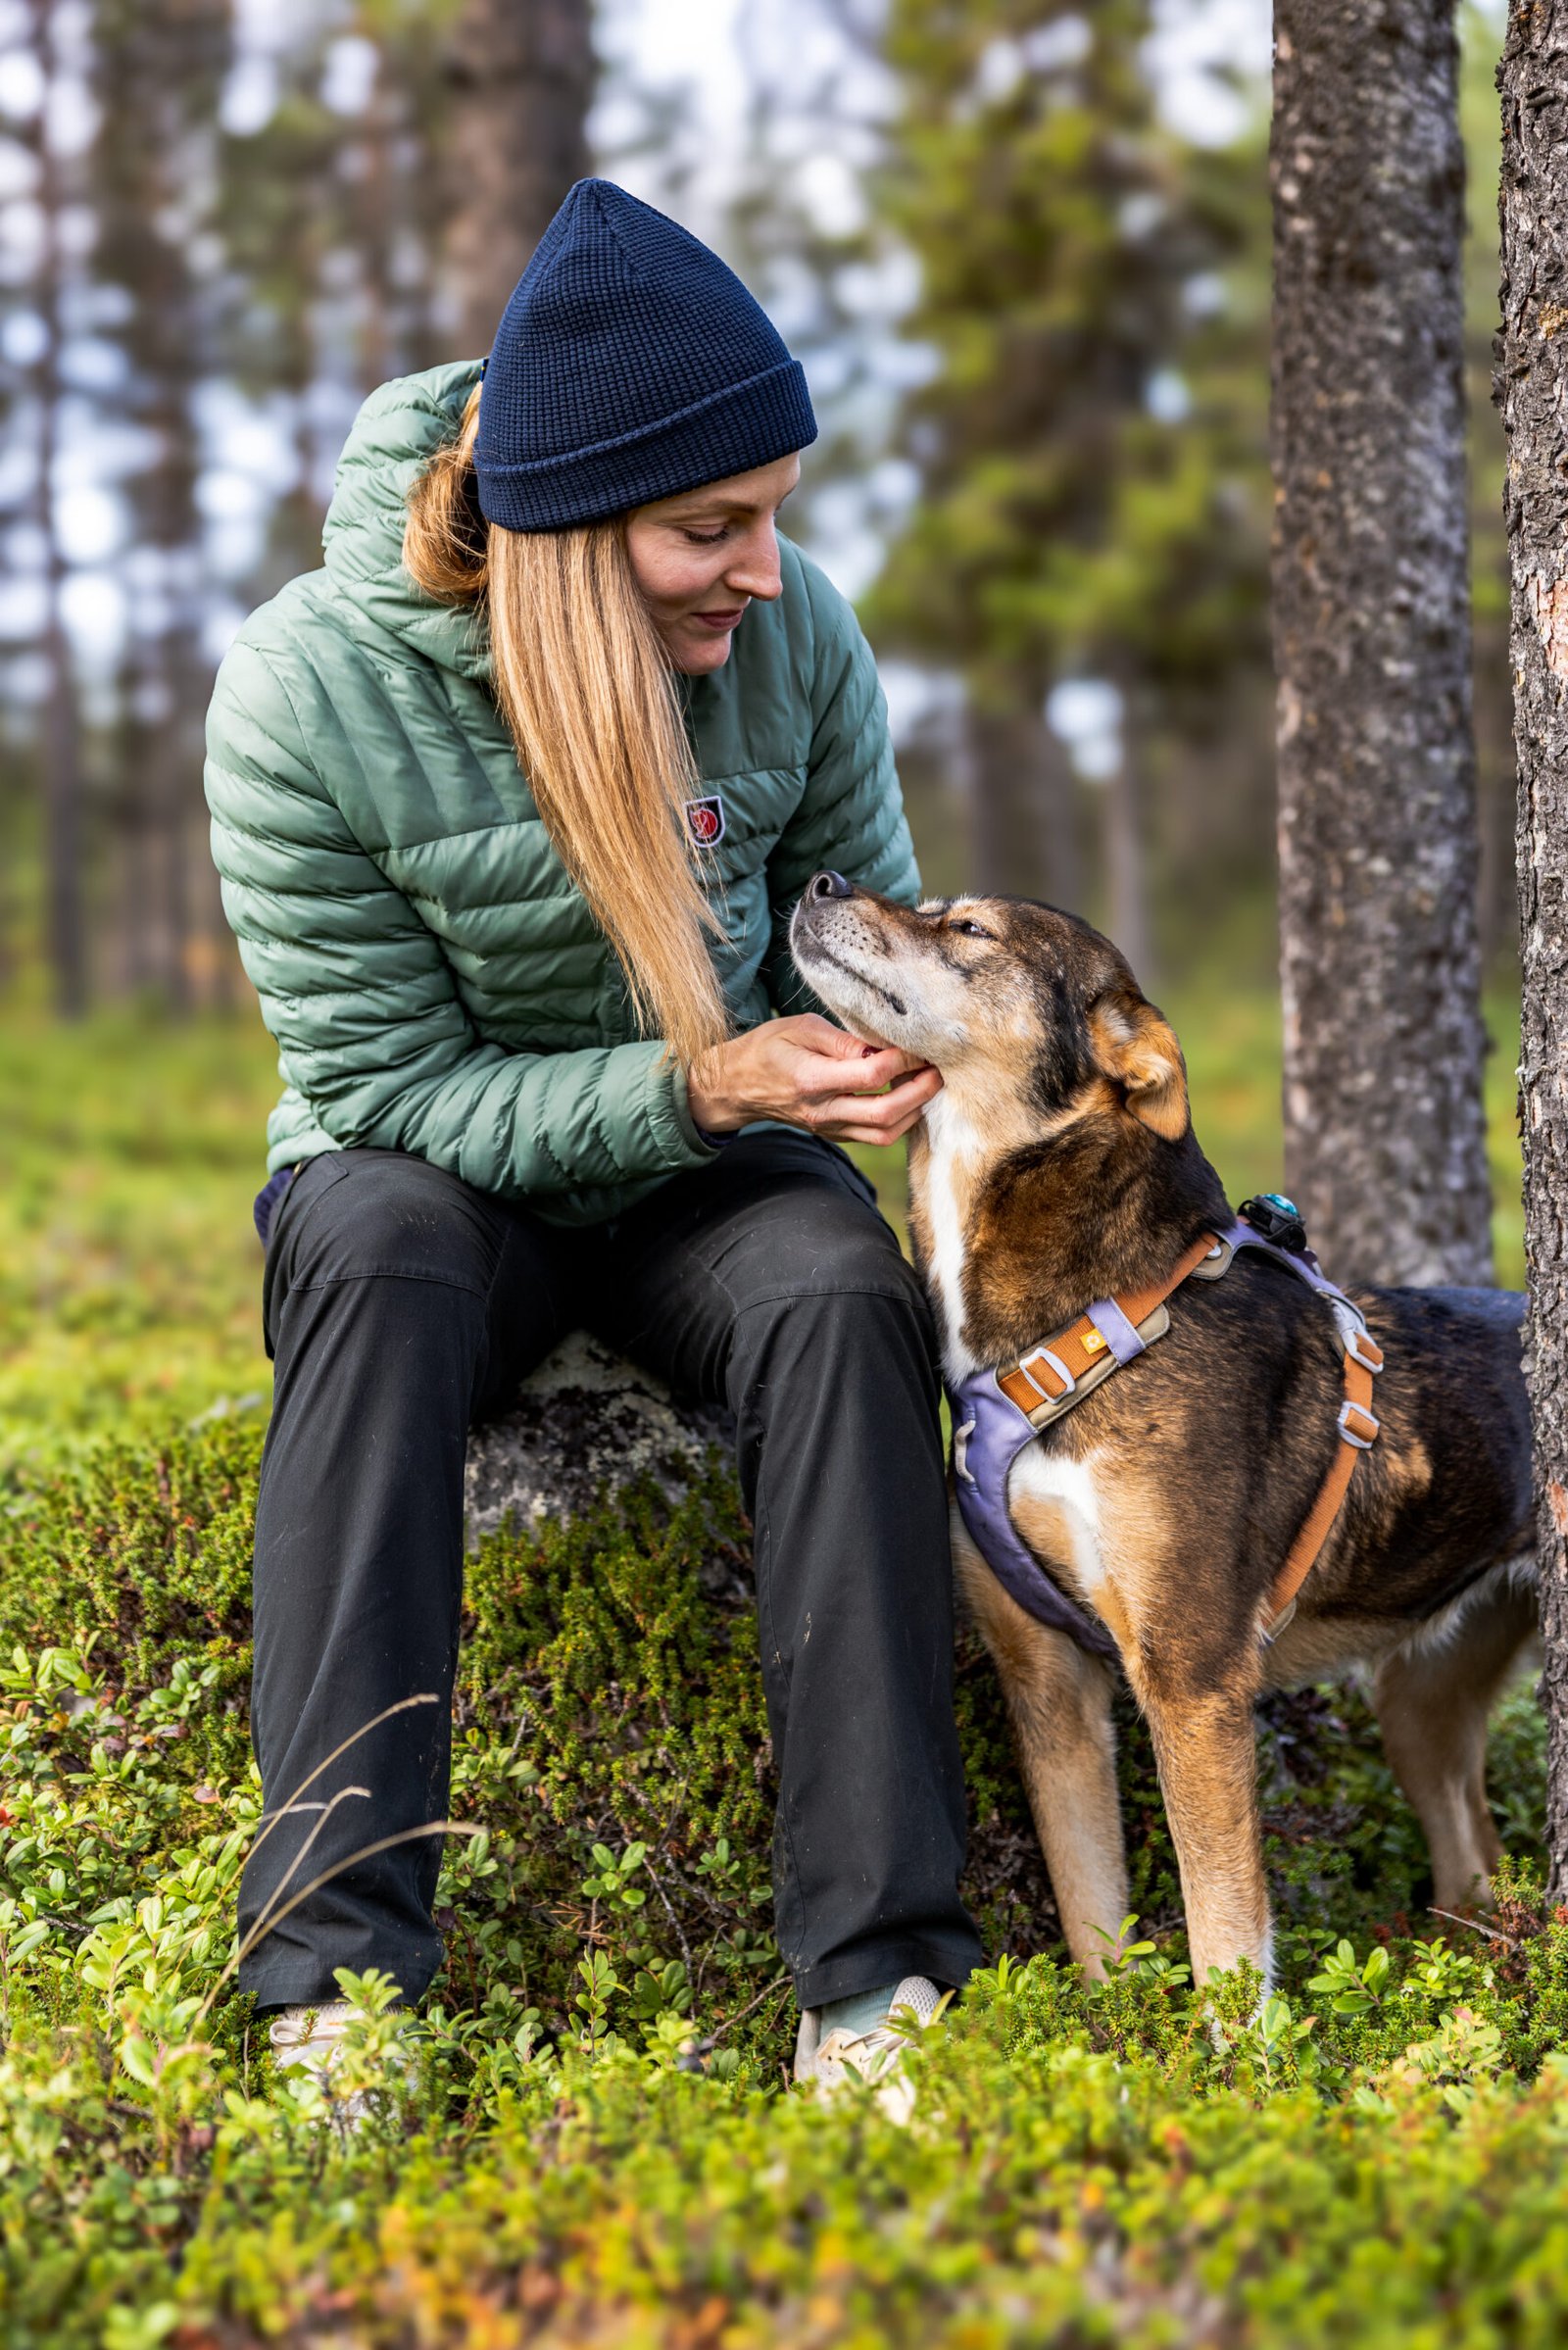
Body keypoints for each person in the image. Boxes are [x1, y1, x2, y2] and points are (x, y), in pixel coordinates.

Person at [204, 177, 983, 2095]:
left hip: (701, 1171)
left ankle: (877, 1982)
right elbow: (383, 1082)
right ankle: (335, 1984)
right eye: (711, 528)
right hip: (430, 1172)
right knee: (372, 1257)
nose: (768, 573)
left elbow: (856, 932)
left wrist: (897, 1066)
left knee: (832, 1293)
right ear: (559, 539)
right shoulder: (305, 695)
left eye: (776, 514)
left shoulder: (793, 648)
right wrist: (699, 1080)